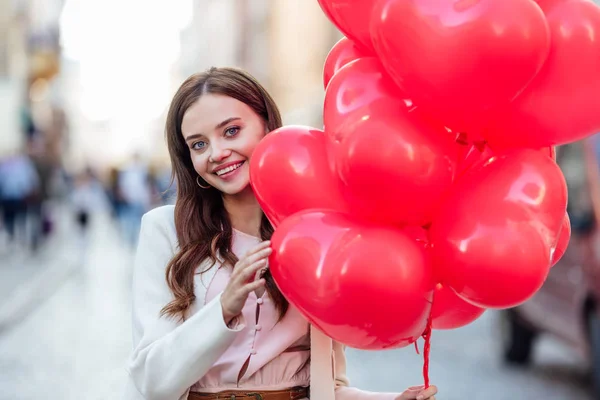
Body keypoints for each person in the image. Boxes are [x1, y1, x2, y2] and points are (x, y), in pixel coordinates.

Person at [121, 67, 439, 400]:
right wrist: (223, 309)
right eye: (198, 145)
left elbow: (326, 388)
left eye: (231, 131)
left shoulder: (318, 231)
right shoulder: (165, 230)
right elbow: (151, 380)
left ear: (268, 127)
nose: (216, 153)